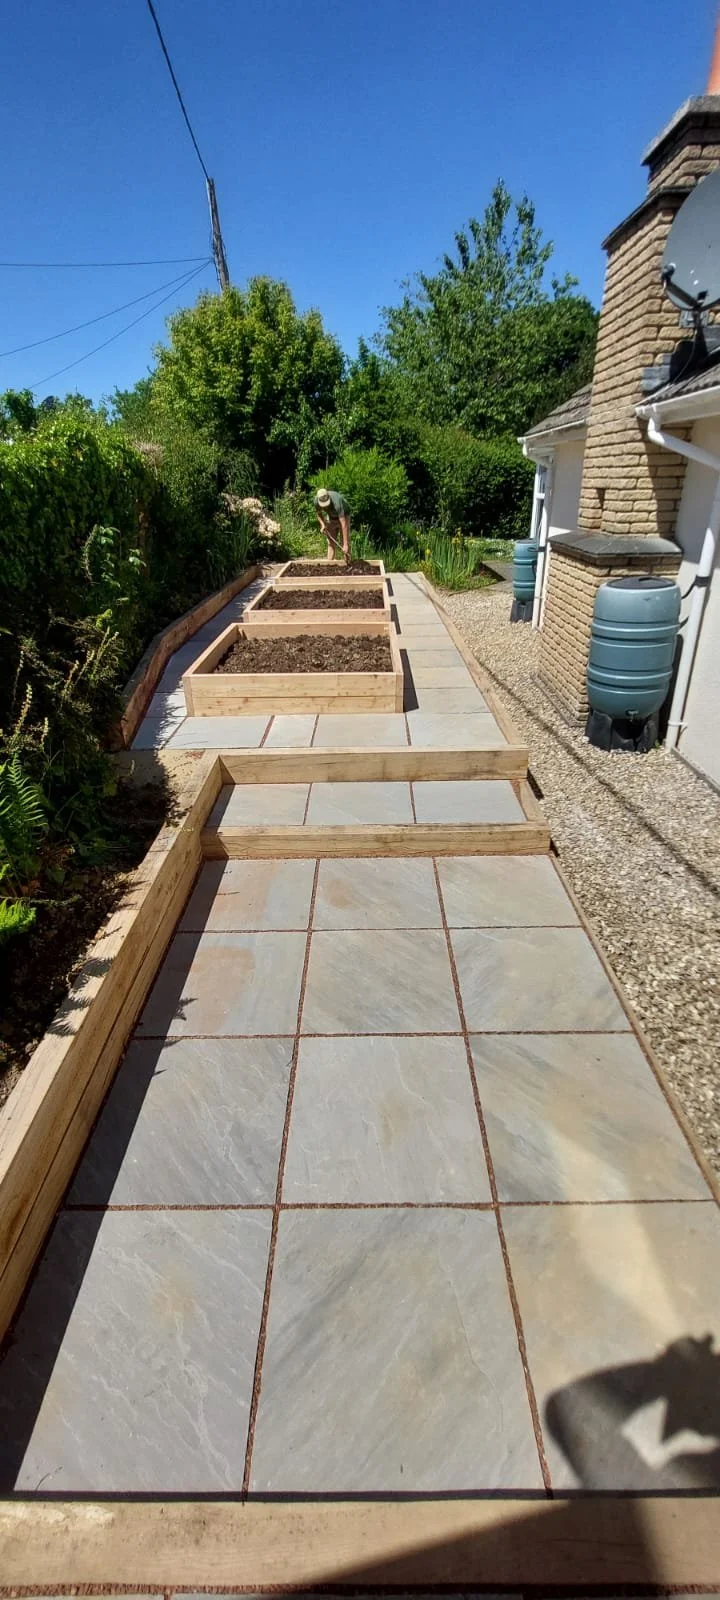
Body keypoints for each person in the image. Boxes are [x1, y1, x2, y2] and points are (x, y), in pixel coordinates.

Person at [314, 487, 351, 562]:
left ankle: (347, 563)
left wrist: (346, 544)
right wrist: (323, 524)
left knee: (344, 542)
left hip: (344, 515)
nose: (325, 507)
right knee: (331, 542)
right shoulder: (316, 501)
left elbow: (343, 523)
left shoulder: (337, 501)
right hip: (331, 517)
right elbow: (318, 514)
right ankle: (329, 564)